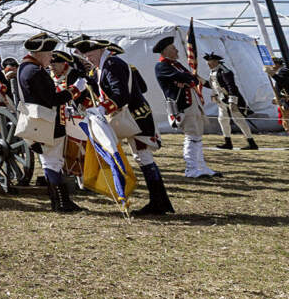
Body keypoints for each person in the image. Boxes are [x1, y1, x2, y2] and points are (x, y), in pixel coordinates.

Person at [84, 39, 175, 217]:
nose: (88, 58)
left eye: (91, 54)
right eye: (86, 55)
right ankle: (160, 201)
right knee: (143, 158)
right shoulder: (101, 67)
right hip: (130, 119)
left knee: (144, 157)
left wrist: (102, 108)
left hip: (137, 117)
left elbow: (121, 95)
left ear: (101, 50)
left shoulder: (112, 64)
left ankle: (159, 202)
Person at [15, 34, 80, 212]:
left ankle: (58, 201)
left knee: (48, 161)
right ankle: (61, 202)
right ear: (41, 53)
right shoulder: (35, 71)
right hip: (46, 122)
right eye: (49, 54)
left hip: (37, 121)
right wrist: (73, 91)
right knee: (53, 162)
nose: (51, 58)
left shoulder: (25, 67)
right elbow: (52, 99)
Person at [152, 35, 217, 179]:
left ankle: (201, 166)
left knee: (197, 136)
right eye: (173, 48)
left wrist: (187, 79)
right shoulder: (162, 66)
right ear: (166, 51)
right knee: (191, 136)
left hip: (193, 103)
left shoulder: (177, 65)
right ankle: (191, 168)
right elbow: (186, 78)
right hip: (182, 106)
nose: (176, 51)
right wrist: (186, 80)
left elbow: (191, 78)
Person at [203, 53, 260, 150]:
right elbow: (213, 86)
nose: (208, 64)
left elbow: (231, 86)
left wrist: (232, 102)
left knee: (239, 120)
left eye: (210, 62)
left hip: (230, 100)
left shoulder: (225, 72)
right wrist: (199, 79)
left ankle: (252, 143)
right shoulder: (213, 72)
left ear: (216, 62)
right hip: (221, 100)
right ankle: (228, 142)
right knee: (222, 120)